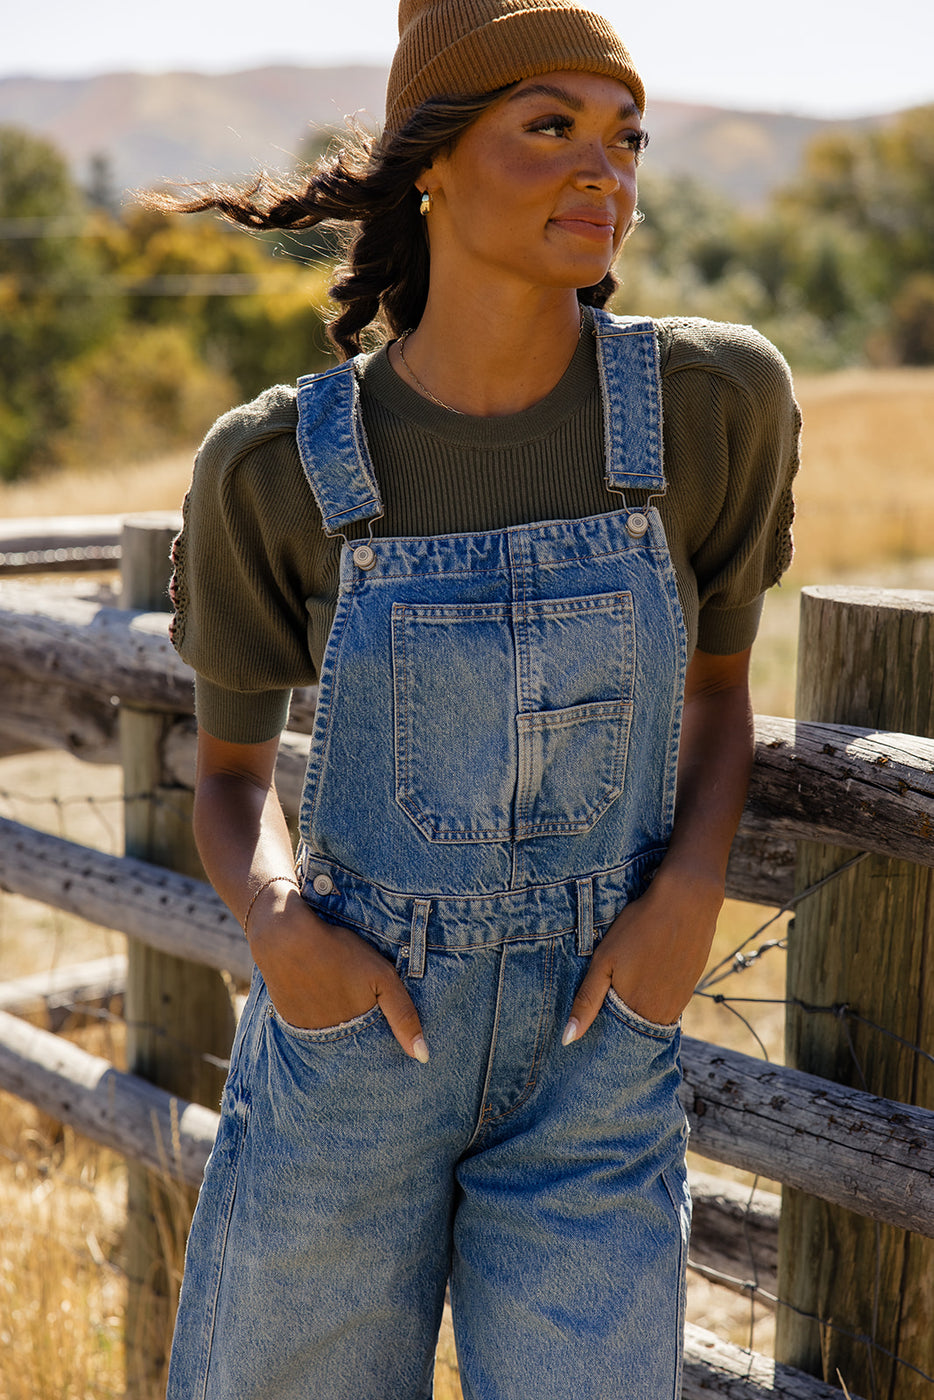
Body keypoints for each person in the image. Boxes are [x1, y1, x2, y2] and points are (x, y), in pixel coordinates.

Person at [163, 1, 799, 1395]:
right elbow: (222, 778)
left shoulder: (708, 404)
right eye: (551, 128)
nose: (605, 173)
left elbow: (719, 695)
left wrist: (685, 899)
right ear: (431, 160)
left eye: (625, 138)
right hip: (351, 1050)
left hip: (599, 1052)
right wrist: (284, 935)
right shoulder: (274, 464)